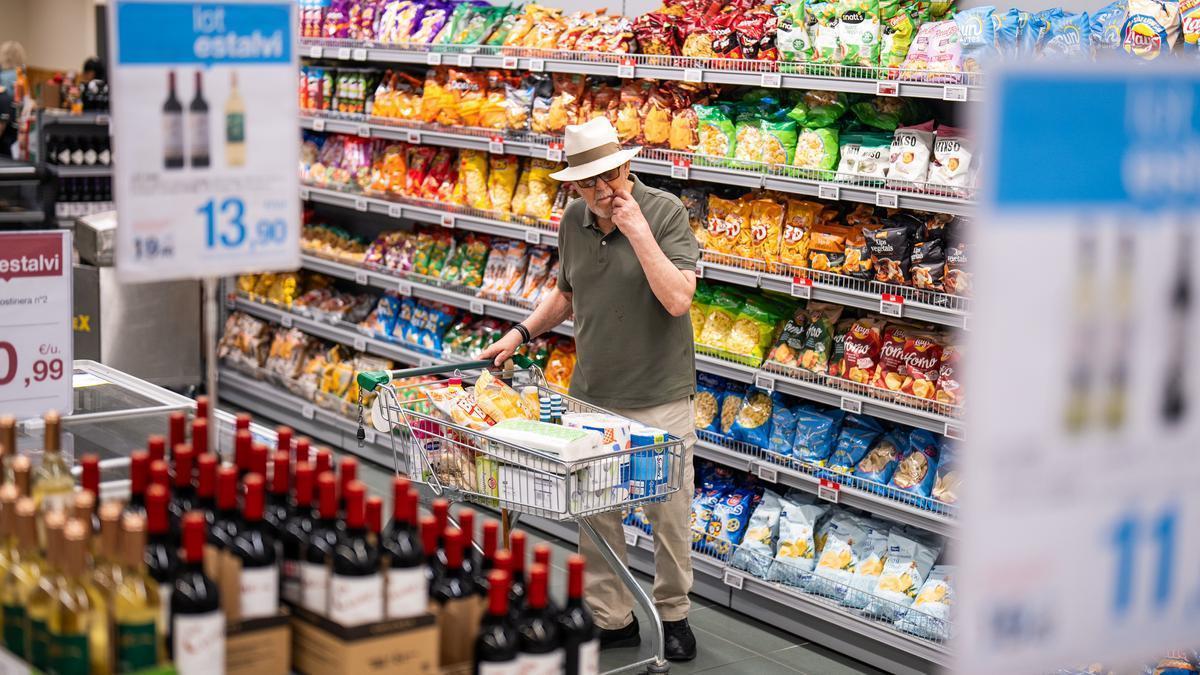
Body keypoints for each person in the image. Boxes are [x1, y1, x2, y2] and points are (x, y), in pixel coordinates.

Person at [480, 116, 699, 662]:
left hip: (661, 395)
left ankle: (674, 614)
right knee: (595, 513)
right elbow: (567, 292)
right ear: (574, 186)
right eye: (590, 183)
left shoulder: (665, 212)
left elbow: (678, 299)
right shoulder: (575, 218)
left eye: (613, 175)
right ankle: (613, 617)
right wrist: (520, 332)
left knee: (668, 514)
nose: (605, 191)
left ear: (627, 166)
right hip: (593, 393)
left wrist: (637, 230)